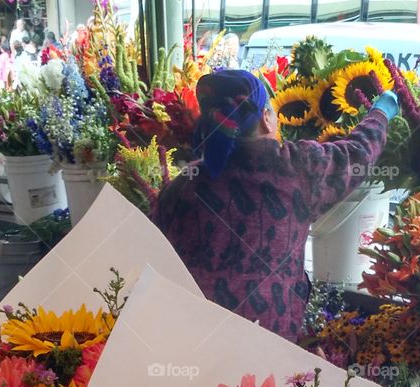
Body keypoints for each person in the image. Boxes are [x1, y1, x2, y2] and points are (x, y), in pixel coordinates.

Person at [153, 68, 399, 342]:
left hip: (195, 339)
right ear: (267, 119)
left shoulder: (184, 185)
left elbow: (156, 254)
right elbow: (358, 153)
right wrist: (381, 113)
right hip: (271, 341)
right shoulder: (296, 167)